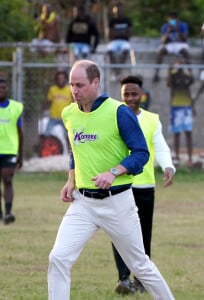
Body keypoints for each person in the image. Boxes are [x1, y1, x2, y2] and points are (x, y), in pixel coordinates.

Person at [47, 60, 175, 300]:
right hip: (83, 203)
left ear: (96, 83)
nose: (74, 90)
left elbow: (141, 154)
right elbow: (76, 149)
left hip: (117, 202)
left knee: (140, 266)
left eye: (80, 85)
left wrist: (114, 172)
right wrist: (70, 179)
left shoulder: (119, 112)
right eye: (72, 85)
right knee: (58, 258)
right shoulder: (69, 113)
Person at [111, 75, 176, 295]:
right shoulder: (113, 116)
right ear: (120, 96)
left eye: (134, 94)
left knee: (143, 234)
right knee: (118, 232)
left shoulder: (151, 119)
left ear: (142, 95)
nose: (130, 98)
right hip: (120, 185)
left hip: (145, 186)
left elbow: (160, 146)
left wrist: (167, 166)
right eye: (126, 94)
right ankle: (123, 279)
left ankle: (141, 279)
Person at [0, 78, 23, 225]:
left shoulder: (16, 107)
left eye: (3, 87)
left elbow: (20, 132)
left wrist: (20, 154)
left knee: (8, 180)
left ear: (7, 89)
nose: (1, 90)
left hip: (9, 150)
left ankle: (8, 213)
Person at [167, 58, 194, 166]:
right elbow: (169, 84)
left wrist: (187, 69)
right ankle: (177, 156)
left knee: (188, 132)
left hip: (187, 106)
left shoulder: (186, 75)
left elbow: (191, 82)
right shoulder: (173, 75)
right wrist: (170, 70)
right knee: (176, 133)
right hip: (176, 106)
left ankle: (190, 157)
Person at [153, 11, 190, 82]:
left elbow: (185, 39)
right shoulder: (165, 26)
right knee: (160, 52)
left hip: (180, 44)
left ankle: (190, 72)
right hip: (169, 44)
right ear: (168, 19)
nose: (172, 21)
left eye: (174, 19)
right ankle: (156, 73)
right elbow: (163, 41)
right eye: (171, 19)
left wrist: (178, 30)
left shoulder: (182, 25)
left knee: (185, 52)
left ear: (177, 19)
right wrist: (168, 31)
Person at [107, 2, 133, 80]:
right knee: (109, 51)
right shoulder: (112, 21)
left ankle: (118, 71)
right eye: (117, 10)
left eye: (120, 10)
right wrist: (123, 32)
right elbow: (109, 34)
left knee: (126, 50)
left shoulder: (127, 20)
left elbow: (130, 33)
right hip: (114, 42)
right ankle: (116, 71)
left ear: (122, 10)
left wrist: (116, 32)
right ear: (113, 11)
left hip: (125, 42)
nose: (118, 11)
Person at [43, 70, 73, 136]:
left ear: (66, 79)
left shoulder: (70, 89)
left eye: (62, 78)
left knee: (70, 135)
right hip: (54, 117)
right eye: (59, 78)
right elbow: (48, 101)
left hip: (65, 118)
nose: (61, 80)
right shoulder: (52, 89)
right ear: (56, 80)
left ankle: (70, 146)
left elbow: (73, 102)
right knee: (46, 134)